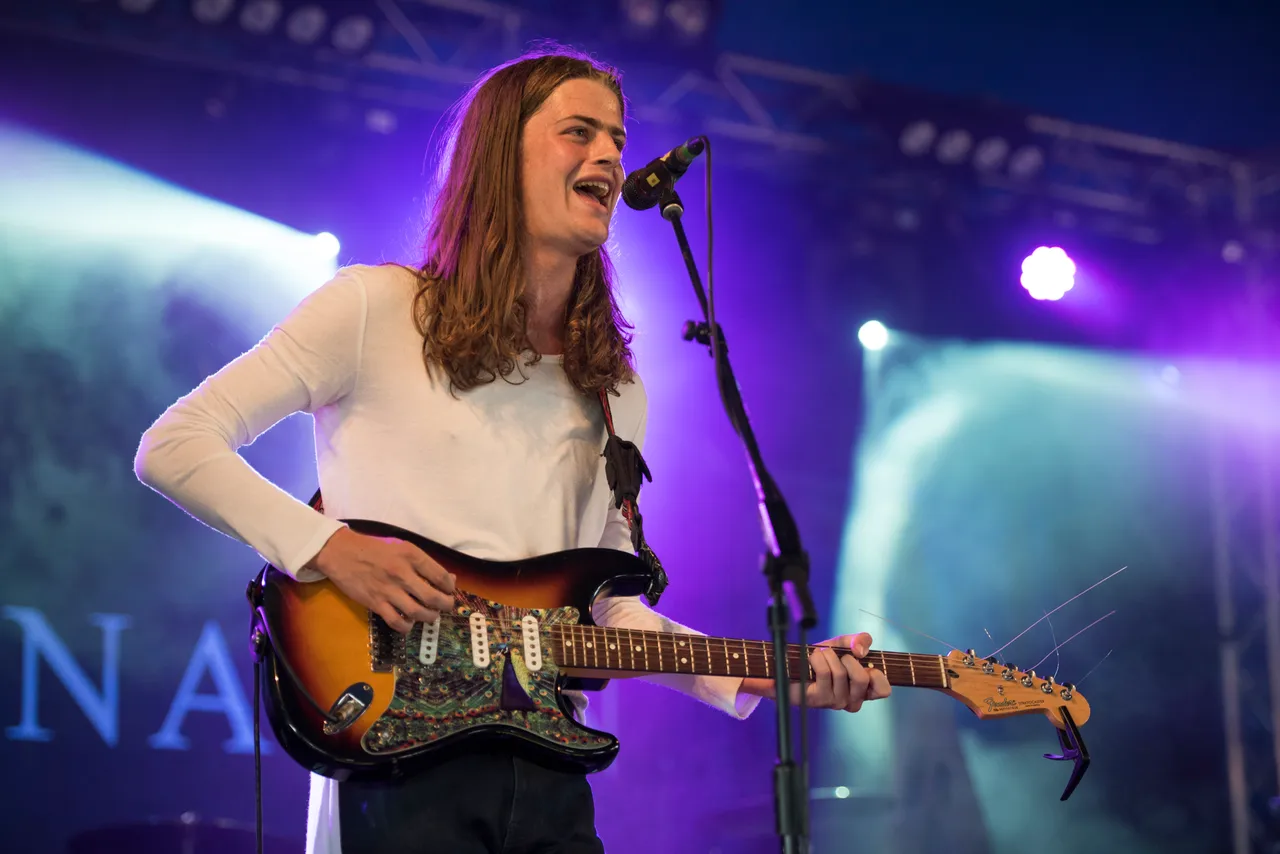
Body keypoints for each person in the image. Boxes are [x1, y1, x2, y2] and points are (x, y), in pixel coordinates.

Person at [134, 45, 891, 854]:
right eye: (578, 132)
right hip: (394, 756)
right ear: (500, 157)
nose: (609, 156)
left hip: (547, 767)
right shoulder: (373, 308)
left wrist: (768, 674)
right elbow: (175, 444)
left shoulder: (613, 388)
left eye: (617, 138)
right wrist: (330, 550)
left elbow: (607, 608)